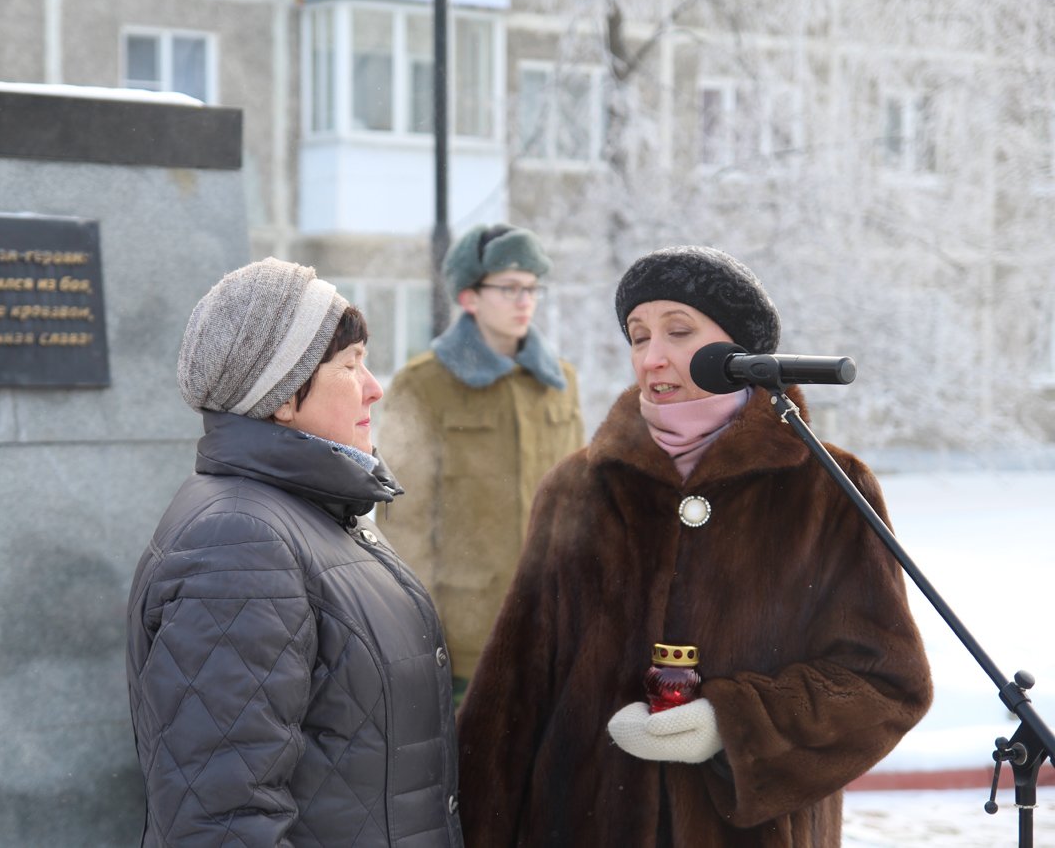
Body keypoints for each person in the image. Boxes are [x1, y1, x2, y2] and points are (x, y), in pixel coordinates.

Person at [455, 245, 933, 846]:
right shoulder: (580, 486)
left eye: (679, 332)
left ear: (740, 351)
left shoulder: (824, 487)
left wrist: (732, 726)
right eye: (637, 336)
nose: (652, 357)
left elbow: (887, 683)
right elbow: (511, 696)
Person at [126, 257, 464, 847]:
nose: (374, 387)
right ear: (283, 397)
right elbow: (223, 821)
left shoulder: (310, 514)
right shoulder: (240, 543)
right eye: (350, 365)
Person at [377, 223, 584, 695]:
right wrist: (416, 632)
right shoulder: (424, 385)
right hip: (465, 638)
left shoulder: (559, 384)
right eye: (509, 287)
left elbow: (582, 503)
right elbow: (403, 522)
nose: (524, 301)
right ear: (469, 297)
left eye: (532, 288)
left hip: (555, 628)